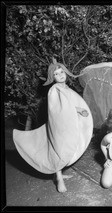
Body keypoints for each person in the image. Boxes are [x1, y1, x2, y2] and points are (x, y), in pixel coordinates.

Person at [13, 58, 93, 192]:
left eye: (62, 72)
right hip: (59, 126)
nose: (60, 75)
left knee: (65, 148)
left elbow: (70, 102)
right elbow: (57, 110)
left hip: (67, 124)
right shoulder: (54, 90)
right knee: (58, 149)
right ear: (52, 77)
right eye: (56, 74)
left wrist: (79, 110)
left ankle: (60, 174)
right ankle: (59, 178)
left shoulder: (65, 87)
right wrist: (77, 110)